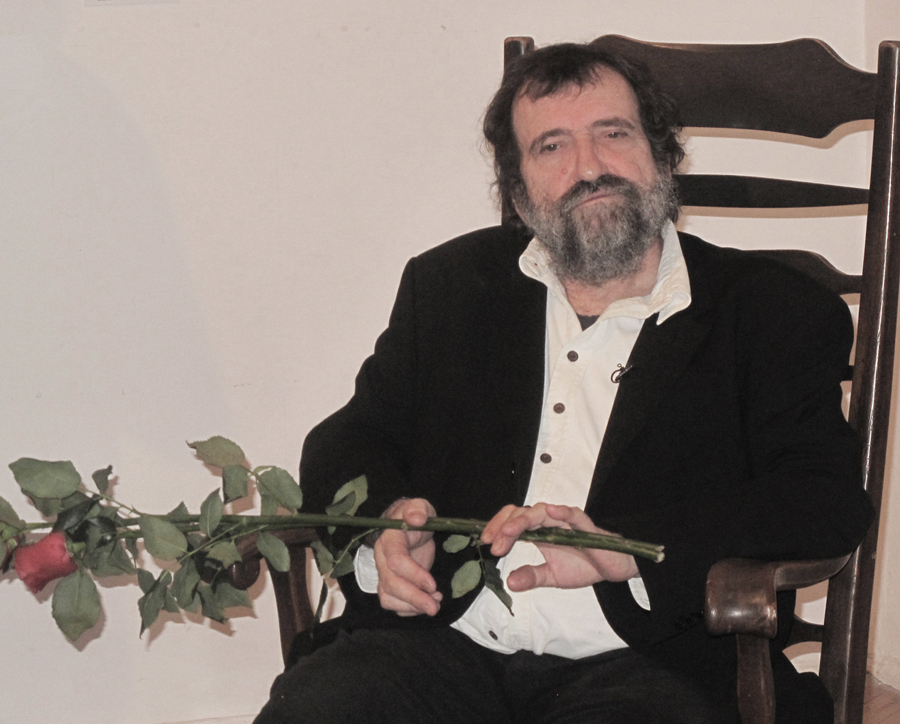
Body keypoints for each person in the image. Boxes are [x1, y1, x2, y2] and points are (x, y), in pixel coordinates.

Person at [254, 42, 873, 724]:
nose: (589, 167)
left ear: (664, 157)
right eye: (552, 146)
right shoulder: (451, 288)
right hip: (441, 642)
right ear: (519, 194)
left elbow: (821, 499)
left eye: (614, 133)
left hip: (657, 662)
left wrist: (627, 551)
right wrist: (387, 527)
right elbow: (349, 441)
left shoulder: (771, 311)